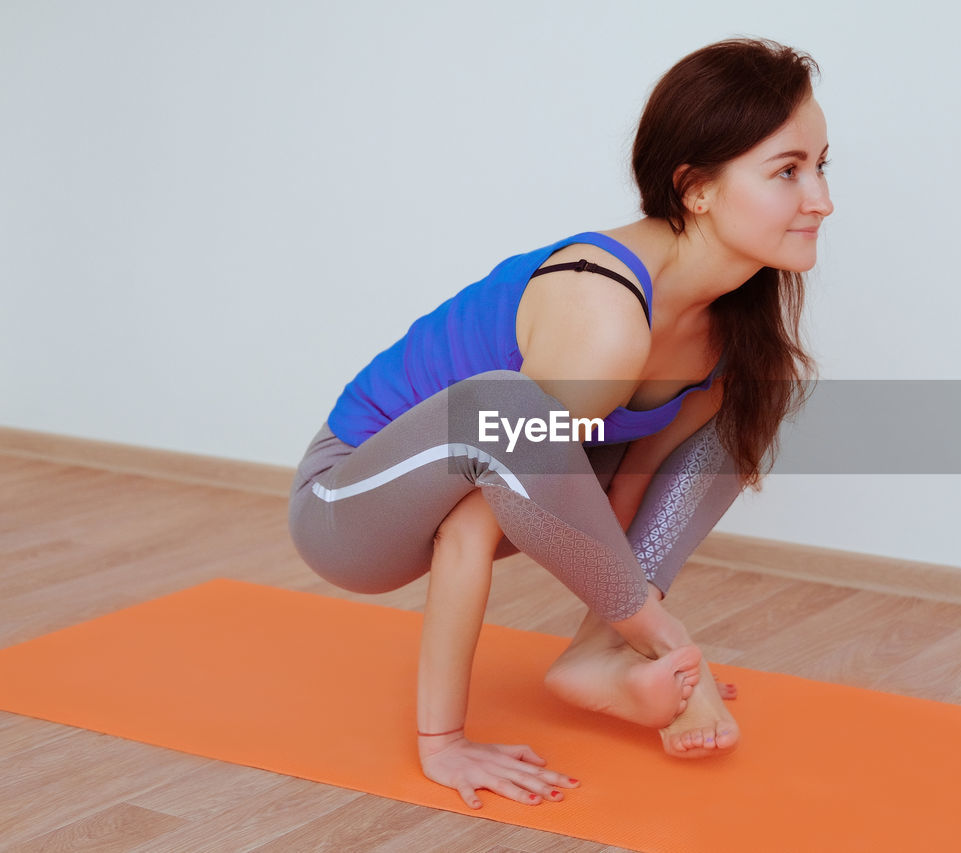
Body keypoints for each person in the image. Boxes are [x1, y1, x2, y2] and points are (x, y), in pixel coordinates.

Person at [288, 37, 833, 810]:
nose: (821, 200)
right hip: (350, 504)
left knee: (750, 403)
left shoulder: (726, 334)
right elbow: (469, 522)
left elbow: (629, 491)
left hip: (513, 483)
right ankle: (643, 640)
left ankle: (594, 657)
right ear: (697, 189)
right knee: (504, 409)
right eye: (787, 172)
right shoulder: (605, 319)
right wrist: (443, 743)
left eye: (821, 166)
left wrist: (619, 630)